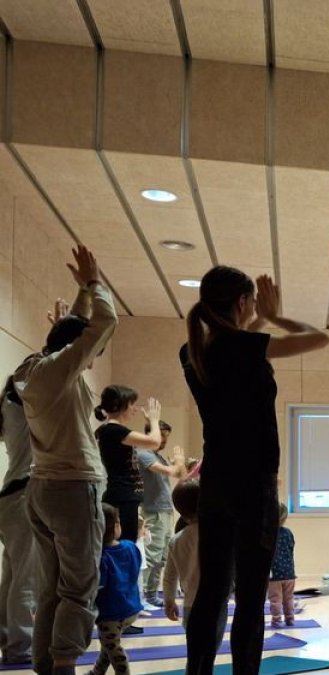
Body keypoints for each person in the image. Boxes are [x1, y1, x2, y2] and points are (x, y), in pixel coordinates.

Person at [179, 267, 329, 675]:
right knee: (248, 596)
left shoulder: (192, 349)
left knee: (211, 591)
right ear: (242, 303)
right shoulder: (244, 346)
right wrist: (277, 315)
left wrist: (257, 317)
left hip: (217, 483)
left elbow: (240, 339)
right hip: (254, 484)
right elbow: (320, 338)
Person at [16, 246, 117, 675]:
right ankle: (63, 666)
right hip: (73, 489)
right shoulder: (59, 369)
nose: (90, 360)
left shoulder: (32, 369)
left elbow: (63, 339)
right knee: (79, 586)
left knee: (52, 589)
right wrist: (94, 285)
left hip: (41, 490)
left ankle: (46, 665)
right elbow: (104, 324)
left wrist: (76, 302)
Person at [94, 386, 163, 544]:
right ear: (120, 405)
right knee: (125, 544)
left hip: (124, 496)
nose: (136, 409)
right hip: (122, 496)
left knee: (127, 543)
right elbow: (155, 442)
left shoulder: (111, 430)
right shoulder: (113, 430)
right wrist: (154, 420)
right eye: (133, 404)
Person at [0, 375, 36, 665]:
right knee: (25, 579)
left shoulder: (9, 407)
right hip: (23, 494)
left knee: (12, 577)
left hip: (11, 495)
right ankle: (20, 647)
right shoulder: (22, 404)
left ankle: (9, 641)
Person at [137, 421, 187, 606]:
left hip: (165, 510)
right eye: (162, 436)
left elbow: (181, 476)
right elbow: (169, 470)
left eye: (166, 436)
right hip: (153, 512)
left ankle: (151, 594)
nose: (164, 440)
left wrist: (180, 464)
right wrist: (178, 463)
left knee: (162, 556)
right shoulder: (144, 454)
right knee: (151, 556)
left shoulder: (159, 456)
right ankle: (142, 597)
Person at [92, 504, 143, 675]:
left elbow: (99, 586)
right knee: (108, 644)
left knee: (113, 647)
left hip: (111, 613)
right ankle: (98, 670)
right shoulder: (130, 546)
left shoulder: (100, 557)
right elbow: (135, 569)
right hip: (131, 608)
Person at [163, 480, 201, 625]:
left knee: (194, 643)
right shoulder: (217, 534)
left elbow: (170, 577)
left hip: (190, 602)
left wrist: (169, 601)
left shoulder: (176, 541)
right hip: (216, 600)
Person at [268, 503, 296, 628]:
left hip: (274, 573)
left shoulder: (268, 533)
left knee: (275, 599)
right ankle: (290, 619)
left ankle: (276, 620)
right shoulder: (288, 533)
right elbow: (291, 547)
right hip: (289, 572)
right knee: (288, 598)